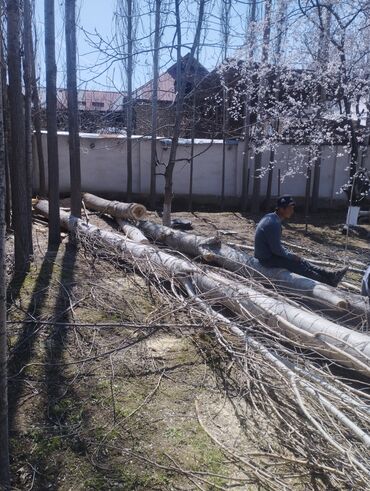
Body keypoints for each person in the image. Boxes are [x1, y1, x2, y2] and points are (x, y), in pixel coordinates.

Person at [254, 195, 348, 287]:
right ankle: (328, 282)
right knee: (298, 265)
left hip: (269, 254)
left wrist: (290, 254)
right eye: (290, 208)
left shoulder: (271, 218)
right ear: (281, 209)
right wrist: (290, 256)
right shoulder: (273, 224)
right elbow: (276, 249)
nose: (292, 211)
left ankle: (329, 274)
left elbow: (275, 245)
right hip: (266, 259)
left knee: (301, 260)